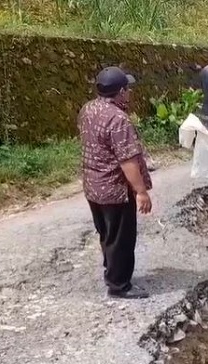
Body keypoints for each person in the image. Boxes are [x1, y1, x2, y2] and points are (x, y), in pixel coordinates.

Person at [78, 66, 153, 299]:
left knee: (106, 232)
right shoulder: (118, 119)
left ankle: (111, 271)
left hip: (93, 185)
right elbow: (127, 160)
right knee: (121, 237)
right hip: (114, 189)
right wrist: (141, 191)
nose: (129, 93)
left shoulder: (88, 109)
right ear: (120, 92)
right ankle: (119, 285)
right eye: (127, 89)